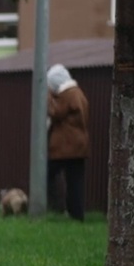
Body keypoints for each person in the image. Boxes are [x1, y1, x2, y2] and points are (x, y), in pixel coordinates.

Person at [46, 63, 90, 221]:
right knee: (75, 181)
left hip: (65, 147)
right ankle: (76, 215)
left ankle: (56, 207)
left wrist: (48, 97)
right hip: (79, 146)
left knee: (45, 174)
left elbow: (55, 112)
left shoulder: (68, 94)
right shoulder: (78, 93)